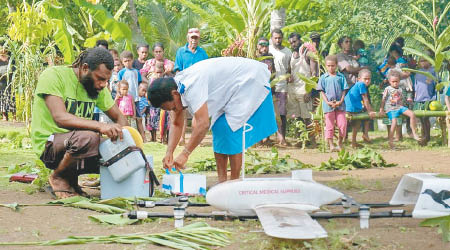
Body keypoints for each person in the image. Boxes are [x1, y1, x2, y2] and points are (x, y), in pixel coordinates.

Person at [147, 57, 277, 183]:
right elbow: (176, 123)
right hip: (231, 89)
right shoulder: (175, 87)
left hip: (249, 79)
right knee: (218, 126)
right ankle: (222, 182)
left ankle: (234, 182)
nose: (174, 110)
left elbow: (202, 124)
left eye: (173, 107)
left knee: (230, 127)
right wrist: (169, 152)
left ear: (174, 94)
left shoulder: (191, 86)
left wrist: (185, 154)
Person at [30, 47, 128, 199]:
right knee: (89, 137)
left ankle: (71, 180)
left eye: (106, 80)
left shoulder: (97, 89)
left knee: (115, 150)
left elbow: (120, 117)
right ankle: (58, 177)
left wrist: (125, 140)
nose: (103, 84)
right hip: (50, 145)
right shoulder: (53, 76)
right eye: (100, 78)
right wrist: (101, 126)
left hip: (76, 143)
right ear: (85, 68)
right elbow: (60, 117)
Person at [174, 28, 209, 145]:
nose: (194, 40)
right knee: (182, 111)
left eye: (196, 38)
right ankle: (181, 138)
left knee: (197, 112)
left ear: (198, 39)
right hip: (184, 85)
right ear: (188, 38)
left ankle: (196, 139)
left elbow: (206, 70)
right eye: (192, 37)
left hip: (198, 86)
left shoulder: (202, 53)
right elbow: (177, 69)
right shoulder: (181, 51)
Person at [287, 32, 316, 147]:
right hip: (293, 90)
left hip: (304, 90)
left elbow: (314, 73)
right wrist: (288, 76)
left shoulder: (308, 54)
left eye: (295, 41)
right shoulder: (291, 55)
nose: (293, 44)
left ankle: (313, 140)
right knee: (297, 117)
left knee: (307, 117)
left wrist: (310, 90)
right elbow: (289, 70)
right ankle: (302, 139)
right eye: (291, 42)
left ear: (300, 40)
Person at [379, 71, 420, 149]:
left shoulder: (400, 89)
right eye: (393, 82)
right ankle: (390, 141)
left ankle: (414, 133)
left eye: (396, 81)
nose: (395, 83)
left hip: (399, 107)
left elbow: (400, 100)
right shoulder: (387, 89)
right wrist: (381, 109)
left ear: (399, 81)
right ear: (389, 81)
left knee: (412, 114)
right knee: (394, 122)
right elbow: (383, 99)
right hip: (390, 109)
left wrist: (402, 108)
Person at [317, 55, 349, 152]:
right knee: (329, 125)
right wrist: (327, 102)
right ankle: (331, 145)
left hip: (340, 105)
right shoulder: (323, 77)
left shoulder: (341, 77)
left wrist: (341, 101)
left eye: (333, 65)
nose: (331, 68)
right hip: (328, 106)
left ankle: (340, 142)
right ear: (326, 66)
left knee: (342, 124)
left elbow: (344, 90)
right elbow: (321, 91)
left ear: (336, 65)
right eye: (329, 66)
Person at [269, 28, 292, 146]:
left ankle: (282, 137)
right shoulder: (267, 49)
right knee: (269, 113)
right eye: (275, 38)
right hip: (269, 86)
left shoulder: (287, 52)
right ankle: (267, 138)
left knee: (282, 113)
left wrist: (289, 77)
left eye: (279, 38)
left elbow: (289, 68)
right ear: (272, 38)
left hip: (282, 86)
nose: (278, 40)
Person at [118, 50, 146, 141]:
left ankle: (143, 137)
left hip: (135, 98)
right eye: (125, 61)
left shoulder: (136, 72)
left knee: (138, 118)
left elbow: (138, 84)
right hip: (125, 100)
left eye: (129, 60)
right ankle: (127, 137)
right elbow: (119, 85)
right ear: (122, 62)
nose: (127, 63)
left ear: (132, 60)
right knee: (124, 118)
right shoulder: (121, 73)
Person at [344, 69, 376, 148]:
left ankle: (353, 142)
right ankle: (361, 137)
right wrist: (370, 112)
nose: (367, 81)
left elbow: (364, 102)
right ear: (359, 79)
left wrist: (370, 110)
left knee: (357, 123)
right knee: (361, 120)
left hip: (351, 107)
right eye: (365, 79)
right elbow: (365, 100)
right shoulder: (361, 85)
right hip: (351, 108)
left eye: (369, 79)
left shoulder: (359, 85)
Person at [413, 57, 437, 146]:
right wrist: (415, 97)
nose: (423, 63)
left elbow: (438, 85)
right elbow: (416, 86)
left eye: (425, 60)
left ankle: (427, 136)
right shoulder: (418, 73)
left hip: (429, 98)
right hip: (419, 99)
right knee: (421, 118)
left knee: (425, 117)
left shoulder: (433, 71)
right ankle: (424, 136)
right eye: (421, 61)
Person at [147, 61, 166, 142]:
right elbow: (149, 91)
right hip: (154, 104)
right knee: (153, 120)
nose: (159, 74)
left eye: (160, 72)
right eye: (157, 72)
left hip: (163, 104)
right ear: (154, 72)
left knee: (163, 120)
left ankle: (163, 137)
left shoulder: (166, 80)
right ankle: (153, 138)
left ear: (163, 71)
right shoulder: (152, 80)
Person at [0, 47, 15, 121]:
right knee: (2, 98)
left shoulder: (10, 59)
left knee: (11, 98)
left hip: (10, 82)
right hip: (1, 83)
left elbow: (14, 68)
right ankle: (4, 116)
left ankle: (14, 116)